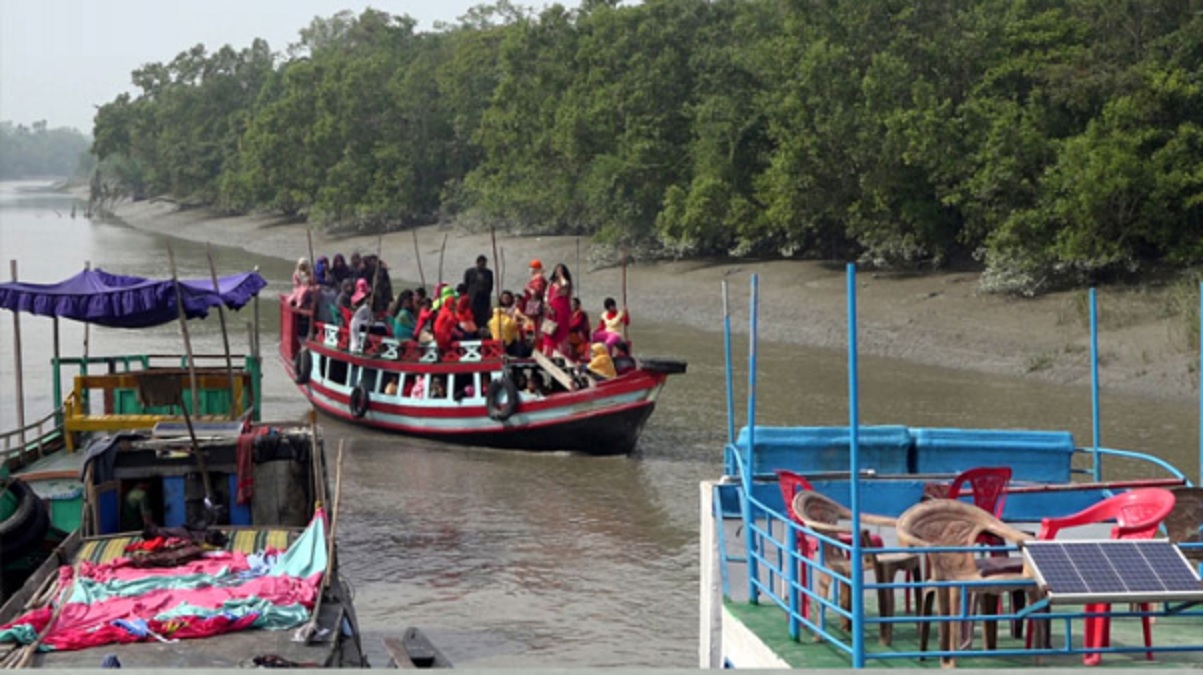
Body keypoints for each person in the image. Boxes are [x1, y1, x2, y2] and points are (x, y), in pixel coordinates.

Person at [541, 263, 574, 361]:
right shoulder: (551, 283)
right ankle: (548, 353)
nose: (559, 271)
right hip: (551, 309)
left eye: (561, 270)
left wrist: (561, 276)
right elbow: (546, 296)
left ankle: (560, 354)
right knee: (550, 331)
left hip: (562, 309)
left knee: (561, 331)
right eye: (557, 270)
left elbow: (564, 288)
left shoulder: (566, 283)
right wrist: (547, 306)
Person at [463, 255, 495, 332]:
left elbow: (490, 285)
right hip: (473, 298)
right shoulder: (469, 272)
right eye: (481, 263)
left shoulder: (488, 273)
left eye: (484, 263)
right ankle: (474, 330)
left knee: (483, 315)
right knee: (473, 314)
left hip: (484, 298)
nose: (483, 264)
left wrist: (487, 293)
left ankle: (482, 330)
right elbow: (466, 284)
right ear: (477, 262)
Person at [520, 260, 547, 332]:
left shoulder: (539, 278)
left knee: (537, 326)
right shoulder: (536, 278)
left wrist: (527, 288)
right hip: (532, 303)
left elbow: (536, 291)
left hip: (536, 305)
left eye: (531, 268)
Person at [568, 297, 591, 361]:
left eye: (574, 304)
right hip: (571, 335)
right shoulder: (570, 313)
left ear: (578, 305)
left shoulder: (581, 314)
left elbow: (576, 324)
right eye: (571, 305)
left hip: (579, 336)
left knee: (578, 354)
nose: (572, 306)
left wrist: (566, 327)